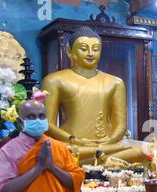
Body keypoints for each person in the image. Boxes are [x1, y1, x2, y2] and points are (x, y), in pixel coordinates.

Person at [42, 26, 146, 165]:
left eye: (96, 49)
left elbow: (120, 126)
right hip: (73, 145)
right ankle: (105, 160)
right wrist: (73, 139)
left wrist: (109, 140)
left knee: (145, 150)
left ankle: (102, 158)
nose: (90, 53)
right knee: (53, 153)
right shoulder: (54, 80)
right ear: (69, 51)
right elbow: (48, 125)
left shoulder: (115, 82)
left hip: (106, 145)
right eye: (84, 49)